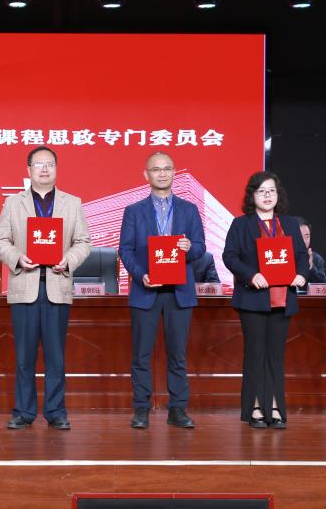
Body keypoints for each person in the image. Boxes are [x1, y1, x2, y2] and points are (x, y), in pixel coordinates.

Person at [0, 146, 92, 430]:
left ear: (56, 169)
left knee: (55, 357)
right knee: (24, 357)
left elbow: (83, 242)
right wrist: (17, 258)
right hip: (25, 286)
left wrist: (68, 259)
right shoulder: (13, 203)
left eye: (50, 164)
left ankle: (56, 411)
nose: (44, 169)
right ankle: (23, 412)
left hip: (57, 286)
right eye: (39, 164)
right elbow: (0, 241)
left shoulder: (72, 203)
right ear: (28, 170)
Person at [118, 152, 206, 429]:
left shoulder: (189, 209)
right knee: (141, 354)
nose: (162, 173)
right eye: (156, 169)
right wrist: (141, 275)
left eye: (167, 168)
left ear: (174, 172)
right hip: (146, 289)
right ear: (146, 175)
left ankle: (177, 409)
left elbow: (201, 247)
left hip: (179, 291)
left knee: (178, 355)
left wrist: (189, 248)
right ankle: (141, 408)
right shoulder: (133, 211)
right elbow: (125, 250)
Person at [222, 172, 307, 429]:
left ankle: (276, 407)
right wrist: (251, 275)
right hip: (253, 299)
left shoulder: (289, 223)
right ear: (252, 196)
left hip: (282, 298)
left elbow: (302, 256)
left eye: (272, 190)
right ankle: (257, 407)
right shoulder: (241, 224)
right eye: (261, 191)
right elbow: (230, 256)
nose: (267, 195)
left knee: (275, 356)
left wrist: (302, 274)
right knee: (255, 355)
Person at [298, 218, 326, 284]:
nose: (304, 241)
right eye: (299, 236)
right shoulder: (283, 257)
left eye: (307, 237)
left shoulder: (316, 258)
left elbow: (324, 284)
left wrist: (311, 267)